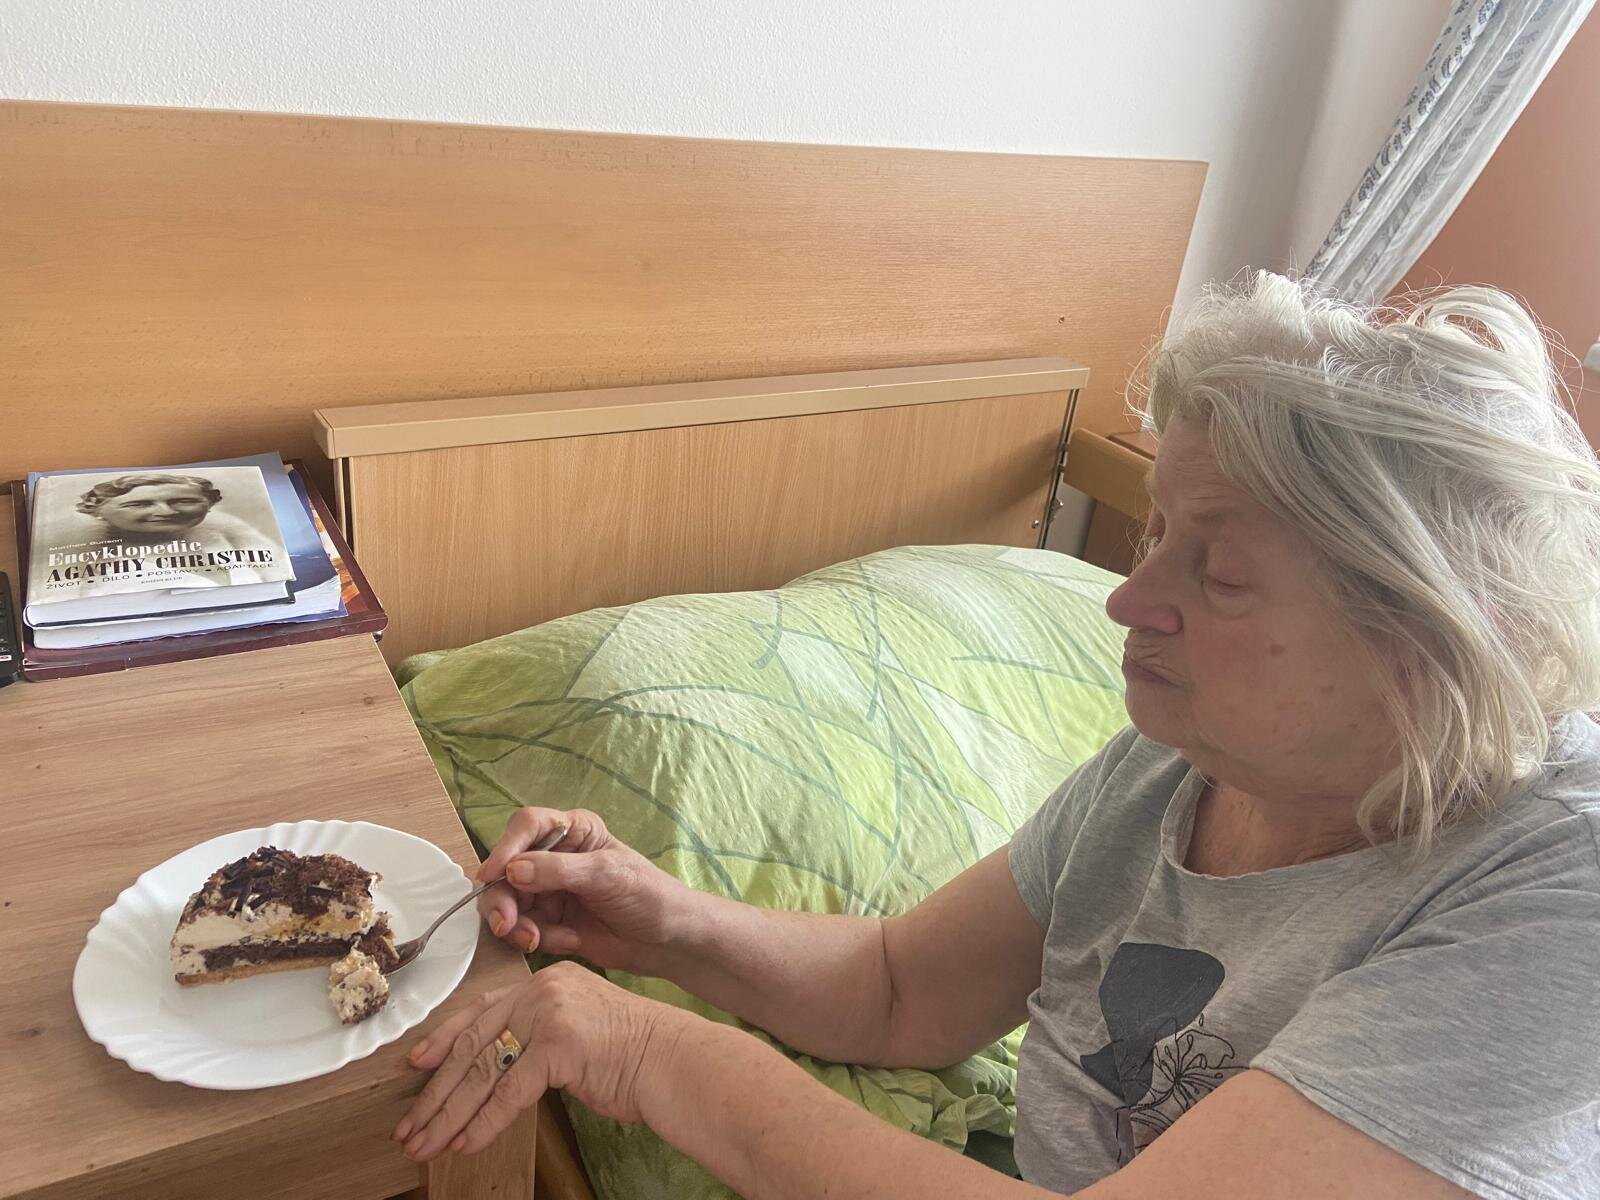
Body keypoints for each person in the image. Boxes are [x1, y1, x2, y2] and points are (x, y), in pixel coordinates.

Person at [394, 272, 1600, 1199]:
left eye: (1220, 573)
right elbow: (898, 991)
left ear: (1438, 633)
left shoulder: (1556, 903)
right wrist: (667, 925)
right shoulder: (1176, 763)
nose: (1128, 600)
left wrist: (652, 1057)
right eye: (1157, 533)